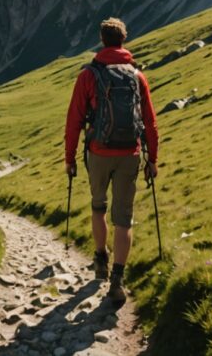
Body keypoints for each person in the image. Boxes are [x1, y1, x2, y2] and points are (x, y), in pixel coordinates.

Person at [64, 17, 159, 305]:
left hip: (98, 152)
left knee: (98, 206)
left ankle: (100, 260)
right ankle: (118, 279)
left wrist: (69, 159)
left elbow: (74, 121)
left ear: (103, 40)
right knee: (124, 219)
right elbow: (150, 123)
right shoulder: (136, 76)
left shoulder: (88, 76)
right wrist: (152, 160)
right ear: (124, 40)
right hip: (130, 154)